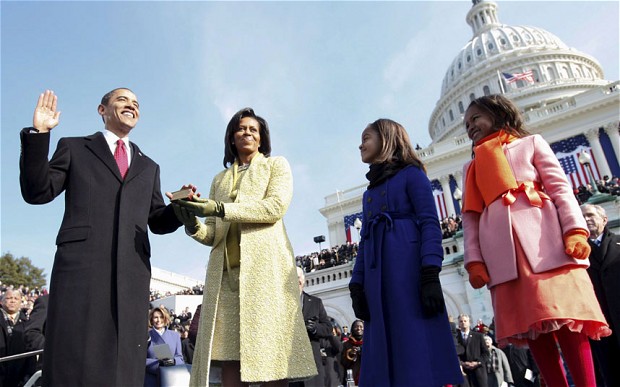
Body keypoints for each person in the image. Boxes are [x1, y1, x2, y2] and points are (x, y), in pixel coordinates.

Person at [19, 89, 182, 386]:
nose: (131, 105)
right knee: (75, 354)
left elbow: (157, 221)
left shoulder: (149, 166)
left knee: (124, 360)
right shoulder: (75, 148)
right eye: (122, 100)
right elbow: (38, 191)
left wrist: (180, 209)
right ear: (102, 109)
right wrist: (39, 134)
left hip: (131, 275)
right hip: (81, 270)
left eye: (136, 103)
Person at [461, 94, 611, 387]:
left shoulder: (531, 144)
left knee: (569, 320)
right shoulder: (471, 167)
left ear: (497, 113)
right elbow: (471, 219)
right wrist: (474, 259)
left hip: (547, 244)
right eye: (466, 124)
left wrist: (575, 230)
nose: (470, 127)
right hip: (505, 258)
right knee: (532, 330)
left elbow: (560, 190)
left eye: (475, 118)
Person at [168, 107, 316, 386]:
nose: (247, 133)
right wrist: (192, 224)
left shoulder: (276, 165)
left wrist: (219, 208)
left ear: (261, 140)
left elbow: (274, 208)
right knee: (229, 359)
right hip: (226, 278)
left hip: (265, 274)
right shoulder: (219, 180)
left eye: (253, 130)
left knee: (273, 356)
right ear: (231, 138)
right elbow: (213, 234)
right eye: (241, 129)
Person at [349, 118, 463, 386]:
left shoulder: (413, 174)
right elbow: (364, 241)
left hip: (408, 274)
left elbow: (429, 223)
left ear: (387, 138)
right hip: (376, 282)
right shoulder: (369, 194)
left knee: (413, 344)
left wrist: (430, 273)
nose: (360, 144)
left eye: (366, 137)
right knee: (382, 351)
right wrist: (356, 284)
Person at [581, 204, 620, 387]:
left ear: (604, 220)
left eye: (590, 215)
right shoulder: (577, 254)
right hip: (601, 327)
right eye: (582, 216)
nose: (586, 219)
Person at [290, 267, 333, 387]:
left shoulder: (315, 302)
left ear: (303, 280)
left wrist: (315, 328)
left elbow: (328, 328)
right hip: (291, 364)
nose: (297, 281)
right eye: (294, 278)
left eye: (299, 277)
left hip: (313, 364)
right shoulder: (282, 305)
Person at [1, 289, 34, 387]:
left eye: (16, 298)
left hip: (20, 377)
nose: (12, 301)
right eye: (9, 298)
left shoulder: (28, 324)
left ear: (21, 302)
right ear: (2, 301)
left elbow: (30, 352)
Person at [145, 306, 185, 387]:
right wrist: (158, 363)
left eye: (161, 317)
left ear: (165, 318)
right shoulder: (146, 335)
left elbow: (180, 358)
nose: (158, 320)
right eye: (155, 317)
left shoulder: (175, 335)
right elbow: (141, 360)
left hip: (170, 378)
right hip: (151, 379)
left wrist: (173, 361)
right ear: (151, 319)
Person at [456, 314, 489, 387]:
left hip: (478, 373)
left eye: (465, 321)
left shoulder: (478, 336)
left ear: (469, 322)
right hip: (464, 374)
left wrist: (477, 362)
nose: (463, 323)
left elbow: (486, 353)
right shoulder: (455, 338)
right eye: (461, 321)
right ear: (458, 324)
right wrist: (462, 363)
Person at [340, 320, 364, 386]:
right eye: (356, 327)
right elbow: (343, 363)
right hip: (352, 377)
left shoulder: (369, 343)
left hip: (367, 375)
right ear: (352, 329)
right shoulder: (346, 344)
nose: (359, 328)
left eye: (361, 326)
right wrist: (351, 354)